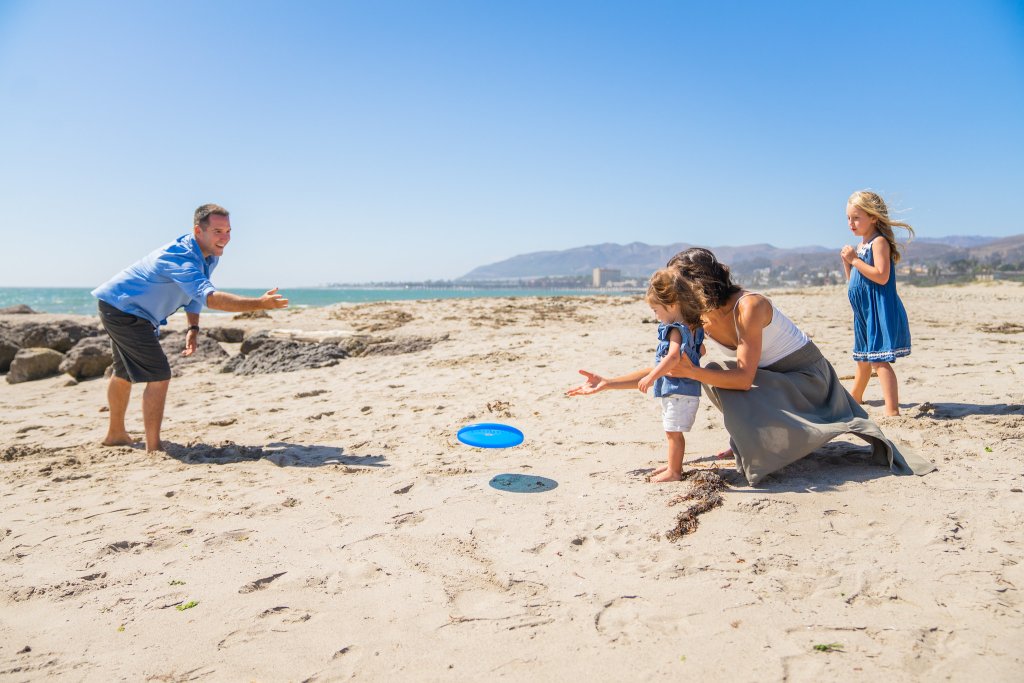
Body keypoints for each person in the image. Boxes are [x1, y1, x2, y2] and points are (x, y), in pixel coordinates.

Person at [568, 248, 934, 486]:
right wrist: (608, 382)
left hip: (808, 379)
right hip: (772, 378)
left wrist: (694, 373)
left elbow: (742, 378)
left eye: (677, 284)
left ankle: (765, 443)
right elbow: (667, 367)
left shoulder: (750, 306)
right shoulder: (700, 319)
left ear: (697, 283)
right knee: (711, 370)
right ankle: (757, 437)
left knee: (715, 373)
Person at [92, 204, 288, 452]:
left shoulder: (209, 255)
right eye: (218, 231)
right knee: (159, 375)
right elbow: (211, 298)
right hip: (123, 310)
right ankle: (154, 448)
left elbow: (195, 295)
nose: (225, 238)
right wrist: (259, 304)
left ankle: (115, 435)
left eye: (228, 231)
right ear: (199, 230)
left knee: (123, 373)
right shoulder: (179, 257)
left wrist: (192, 328)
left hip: (124, 307)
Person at [567, 269, 705, 482]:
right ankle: (672, 465)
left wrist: (651, 377)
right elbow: (701, 351)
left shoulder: (676, 329)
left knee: (673, 433)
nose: (655, 315)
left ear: (671, 305)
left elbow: (673, 357)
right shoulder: (692, 327)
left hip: (678, 391)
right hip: (688, 390)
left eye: (655, 309)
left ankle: (674, 472)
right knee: (673, 432)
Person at [841, 190, 914, 416]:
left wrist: (854, 259)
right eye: (848, 218)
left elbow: (881, 275)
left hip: (878, 309)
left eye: (856, 217)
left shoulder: (878, 242)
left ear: (873, 217)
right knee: (862, 357)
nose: (851, 223)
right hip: (863, 311)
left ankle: (892, 410)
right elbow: (854, 279)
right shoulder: (862, 244)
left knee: (879, 360)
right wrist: (848, 263)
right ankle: (856, 397)